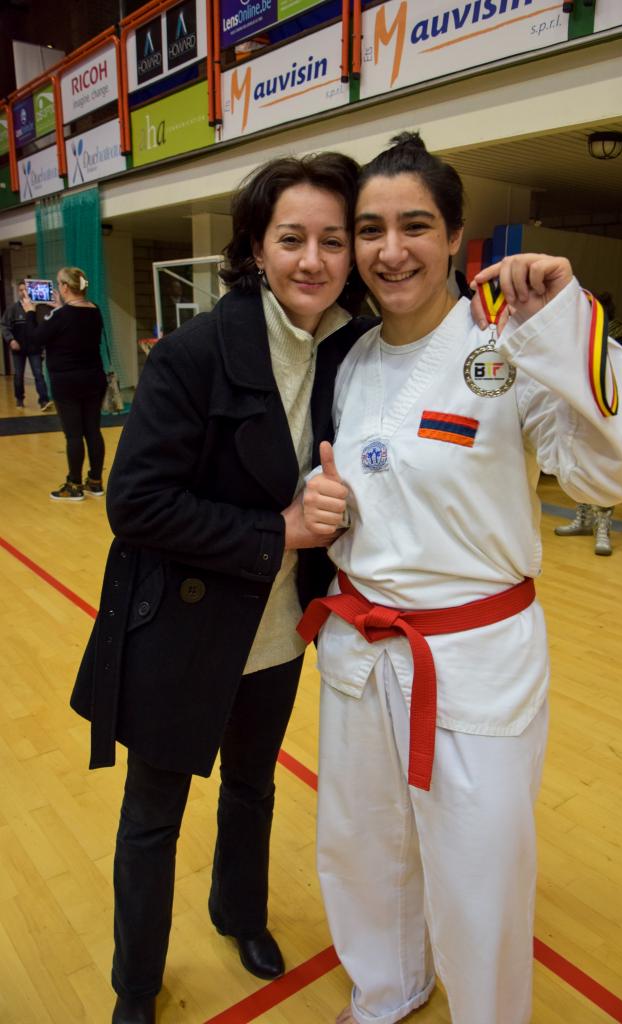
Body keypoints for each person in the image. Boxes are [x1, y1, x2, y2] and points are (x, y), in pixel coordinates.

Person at [299, 133, 622, 1024]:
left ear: (455, 236)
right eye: (370, 229)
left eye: (414, 226)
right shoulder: (347, 357)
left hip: (473, 658)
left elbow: (610, 476)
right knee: (361, 845)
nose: (389, 250)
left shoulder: (507, 346)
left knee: (479, 868)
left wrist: (557, 322)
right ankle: (387, 989)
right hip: (359, 646)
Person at [69, 151, 370, 1024]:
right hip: (182, 627)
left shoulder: (345, 349)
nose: (311, 259)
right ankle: (135, 980)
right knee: (154, 814)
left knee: (252, 785)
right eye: (291, 239)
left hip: (277, 628)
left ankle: (239, 913)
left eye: (331, 240)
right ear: (255, 246)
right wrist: (276, 529)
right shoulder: (197, 352)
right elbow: (137, 502)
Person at [554, 291, 622, 555]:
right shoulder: (576, 341)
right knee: (578, 465)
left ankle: (603, 528)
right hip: (577, 411)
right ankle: (584, 519)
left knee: (601, 469)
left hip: (605, 413)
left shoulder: (614, 341)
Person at [22, 267, 107, 501]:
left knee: (73, 435)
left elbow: (34, 340)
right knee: (93, 431)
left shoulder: (60, 316)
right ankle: (96, 481)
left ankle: (74, 485)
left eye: (59, 284)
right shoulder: (95, 310)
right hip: (94, 378)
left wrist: (31, 312)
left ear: (65, 287)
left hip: (67, 381)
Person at [1, 279, 52, 411]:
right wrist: (11, 340)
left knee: (38, 374)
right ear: (18, 292)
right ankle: (19, 398)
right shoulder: (12, 309)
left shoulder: (37, 309)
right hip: (18, 349)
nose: (24, 293)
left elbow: (42, 327)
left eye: (26, 290)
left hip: (34, 348)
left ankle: (44, 400)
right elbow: (4, 326)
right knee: (18, 375)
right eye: (21, 290)